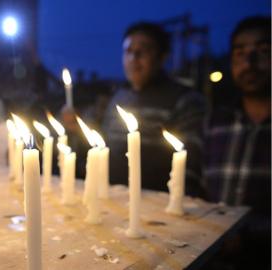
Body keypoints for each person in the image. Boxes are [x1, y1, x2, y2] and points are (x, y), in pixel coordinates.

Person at [101, 22, 206, 197]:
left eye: (143, 51)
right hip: (112, 197)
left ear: (162, 57)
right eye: (128, 51)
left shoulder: (185, 100)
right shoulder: (117, 98)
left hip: (158, 204)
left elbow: (191, 164)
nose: (134, 57)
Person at [203, 16, 270, 269]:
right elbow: (194, 187)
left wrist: (245, 234)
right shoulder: (216, 122)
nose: (250, 63)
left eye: (264, 51)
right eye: (240, 53)